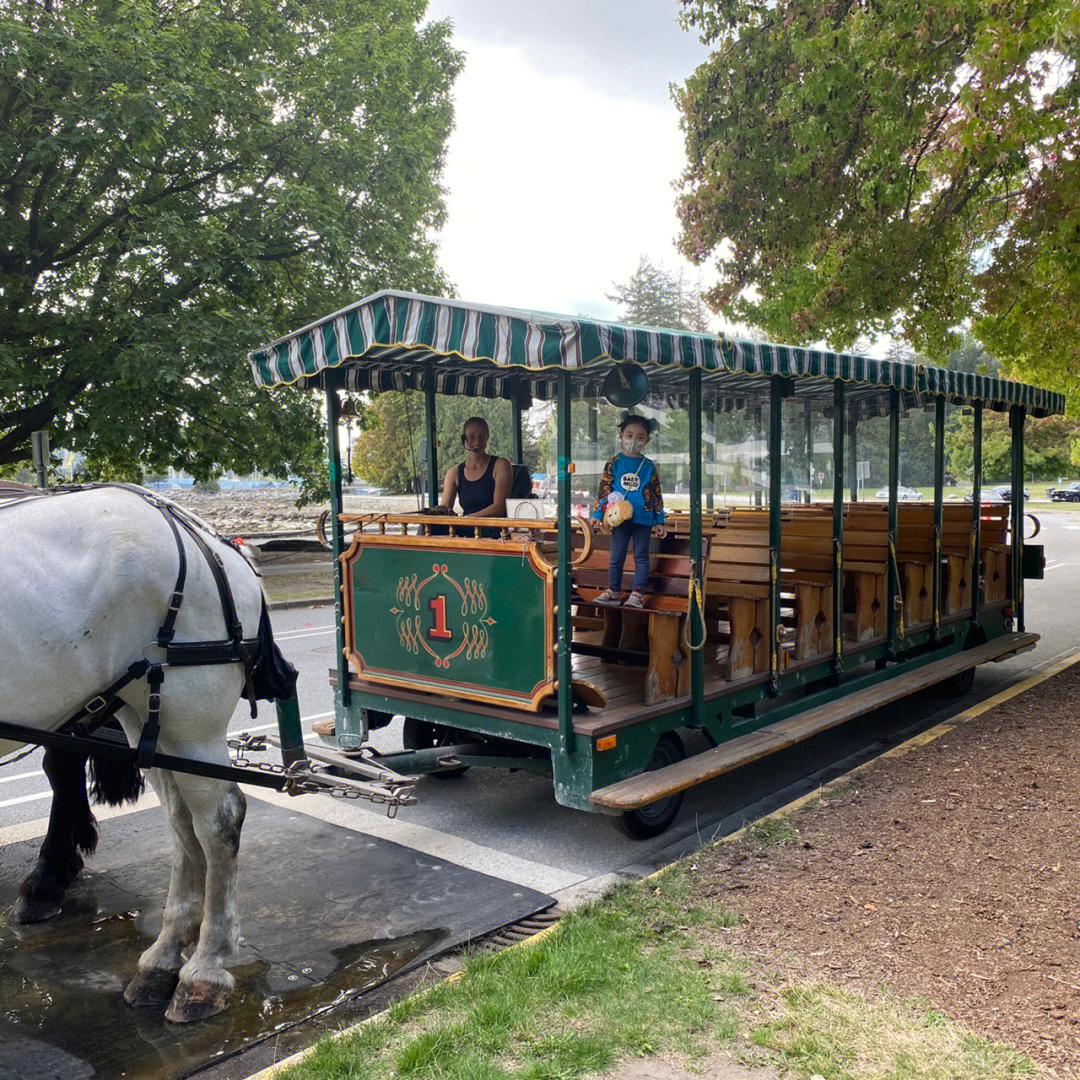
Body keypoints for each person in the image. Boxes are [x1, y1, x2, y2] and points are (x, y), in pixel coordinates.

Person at [591, 414, 666, 608]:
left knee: (641, 556)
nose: (634, 441)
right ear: (621, 435)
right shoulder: (613, 463)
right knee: (616, 556)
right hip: (619, 519)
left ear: (647, 440)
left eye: (640, 437)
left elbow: (656, 494)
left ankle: (637, 593)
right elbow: (604, 489)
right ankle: (613, 591)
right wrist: (598, 514)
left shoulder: (649, 467)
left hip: (644, 518)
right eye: (630, 435)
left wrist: (659, 521)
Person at [438, 417, 512, 530]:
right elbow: (444, 509)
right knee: (427, 528)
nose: (477, 442)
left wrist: (467, 519)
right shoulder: (454, 473)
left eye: (482, 437)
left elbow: (499, 508)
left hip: (492, 528)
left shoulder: (501, 465)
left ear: (487, 439)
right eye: (472, 437)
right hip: (466, 526)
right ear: (464, 439)